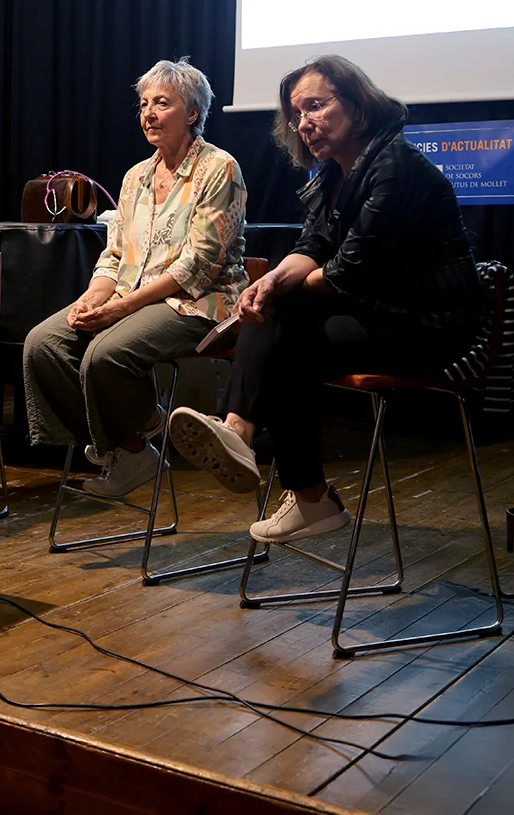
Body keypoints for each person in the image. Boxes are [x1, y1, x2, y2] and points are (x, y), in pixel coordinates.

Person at [169, 54, 484, 544]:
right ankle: (253, 447)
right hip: (378, 312)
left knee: (285, 320)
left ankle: (290, 478)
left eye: (315, 106)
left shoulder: (395, 168)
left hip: (432, 325)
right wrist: (272, 281)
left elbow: (347, 272)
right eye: (296, 114)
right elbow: (311, 247)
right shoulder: (332, 175)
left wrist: (278, 286)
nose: (303, 123)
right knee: (276, 308)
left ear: (358, 108)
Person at [23, 58, 248, 499]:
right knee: (43, 344)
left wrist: (123, 307)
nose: (148, 113)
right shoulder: (136, 177)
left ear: (193, 114)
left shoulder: (219, 168)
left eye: (161, 103)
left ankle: (132, 429)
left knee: (105, 354)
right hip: (131, 296)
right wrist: (93, 298)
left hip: (199, 301)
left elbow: (198, 265)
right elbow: (114, 255)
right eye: (143, 104)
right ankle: (131, 444)